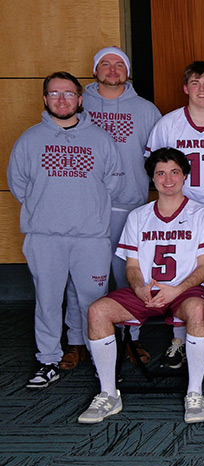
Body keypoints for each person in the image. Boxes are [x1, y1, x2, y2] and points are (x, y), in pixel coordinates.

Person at [78, 148, 204, 424]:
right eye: (160, 173)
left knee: (198, 311)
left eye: (174, 172)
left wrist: (177, 289)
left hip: (185, 291)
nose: (168, 179)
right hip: (146, 290)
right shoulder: (138, 216)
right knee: (98, 311)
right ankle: (109, 393)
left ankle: (194, 392)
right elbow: (131, 266)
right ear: (152, 179)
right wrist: (139, 288)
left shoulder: (202, 215)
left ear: (184, 176)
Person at [8, 72, 125, 389]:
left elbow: (112, 183)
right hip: (45, 237)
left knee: (93, 301)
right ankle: (48, 359)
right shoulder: (30, 140)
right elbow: (18, 186)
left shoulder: (100, 140)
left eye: (69, 93)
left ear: (80, 99)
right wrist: (48, 208)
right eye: (55, 94)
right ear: (45, 99)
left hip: (90, 238)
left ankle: (99, 360)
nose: (62, 100)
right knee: (47, 300)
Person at [63, 47, 161, 371]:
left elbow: (159, 159)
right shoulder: (80, 105)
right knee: (83, 280)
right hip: (86, 208)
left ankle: (131, 339)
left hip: (129, 206)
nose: (112, 69)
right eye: (105, 64)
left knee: (129, 276)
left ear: (127, 71)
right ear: (95, 71)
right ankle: (77, 342)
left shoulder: (146, 110)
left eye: (119, 64)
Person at [144, 61, 204, 368]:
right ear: (186, 88)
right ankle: (180, 339)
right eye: (196, 83)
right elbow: (153, 165)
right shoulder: (169, 124)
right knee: (182, 273)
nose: (203, 89)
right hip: (182, 211)